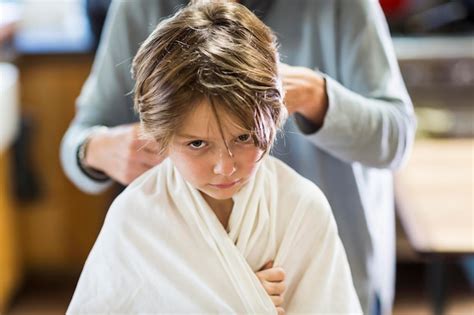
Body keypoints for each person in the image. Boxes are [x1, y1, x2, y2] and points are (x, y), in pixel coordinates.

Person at [61, 0, 416, 314]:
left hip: (346, 255)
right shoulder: (136, 218)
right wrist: (94, 148)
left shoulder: (304, 208)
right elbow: (81, 132)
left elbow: (397, 136)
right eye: (197, 143)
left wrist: (314, 95)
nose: (226, 166)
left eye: (245, 137)